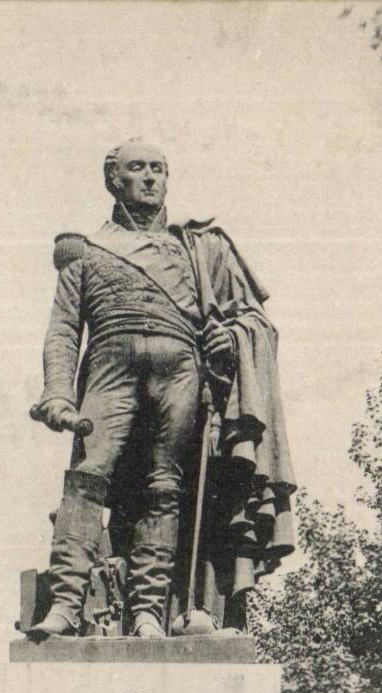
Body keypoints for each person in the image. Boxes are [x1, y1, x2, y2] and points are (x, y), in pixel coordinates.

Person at [28, 139, 296, 638]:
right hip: (109, 365)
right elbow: (63, 330)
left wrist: (227, 338)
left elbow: (247, 318)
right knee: (87, 476)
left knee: (165, 486)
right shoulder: (83, 251)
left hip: (181, 371)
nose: (150, 177)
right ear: (114, 179)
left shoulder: (195, 248)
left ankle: (149, 609)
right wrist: (58, 393)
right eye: (137, 168)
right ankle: (65, 602)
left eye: (158, 169)